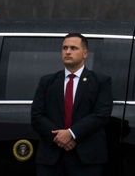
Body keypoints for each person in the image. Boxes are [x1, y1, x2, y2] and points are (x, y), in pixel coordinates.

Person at [31, 33, 112, 176]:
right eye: (65, 48)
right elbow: (37, 115)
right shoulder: (47, 82)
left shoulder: (100, 82)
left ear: (85, 53)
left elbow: (101, 114)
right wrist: (60, 138)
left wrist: (71, 134)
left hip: (86, 158)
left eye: (73, 48)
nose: (68, 52)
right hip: (51, 157)